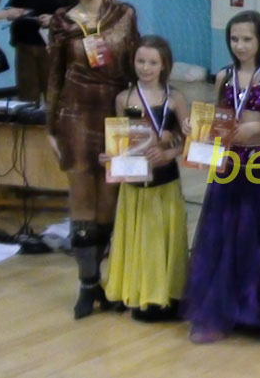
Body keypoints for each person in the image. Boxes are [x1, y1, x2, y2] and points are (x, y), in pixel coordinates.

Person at [181, 10, 260, 343]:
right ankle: (224, 309)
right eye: (234, 39)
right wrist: (196, 126)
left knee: (256, 235)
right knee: (224, 235)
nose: (240, 45)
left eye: (247, 39)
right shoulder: (223, 77)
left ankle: (255, 311)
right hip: (228, 165)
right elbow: (219, 117)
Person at [46, 0, 140, 319]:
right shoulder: (61, 21)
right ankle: (87, 284)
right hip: (75, 115)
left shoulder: (124, 15)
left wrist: (144, 117)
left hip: (115, 113)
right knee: (83, 201)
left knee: (109, 203)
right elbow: (54, 76)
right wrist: (50, 126)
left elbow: (137, 67)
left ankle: (106, 281)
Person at [102, 36, 189, 322]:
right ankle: (136, 291)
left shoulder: (175, 98)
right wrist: (110, 158)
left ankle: (166, 295)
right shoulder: (123, 99)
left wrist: (169, 152)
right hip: (134, 182)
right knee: (136, 237)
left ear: (164, 65)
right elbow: (120, 143)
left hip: (165, 181)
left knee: (162, 238)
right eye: (141, 61)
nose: (146, 67)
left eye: (153, 62)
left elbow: (191, 141)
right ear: (133, 62)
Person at [5, 0, 76, 103]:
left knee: (52, 92)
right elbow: (11, 6)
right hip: (24, 45)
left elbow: (75, 16)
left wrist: (53, 19)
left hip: (50, 47)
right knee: (27, 93)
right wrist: (15, 12)